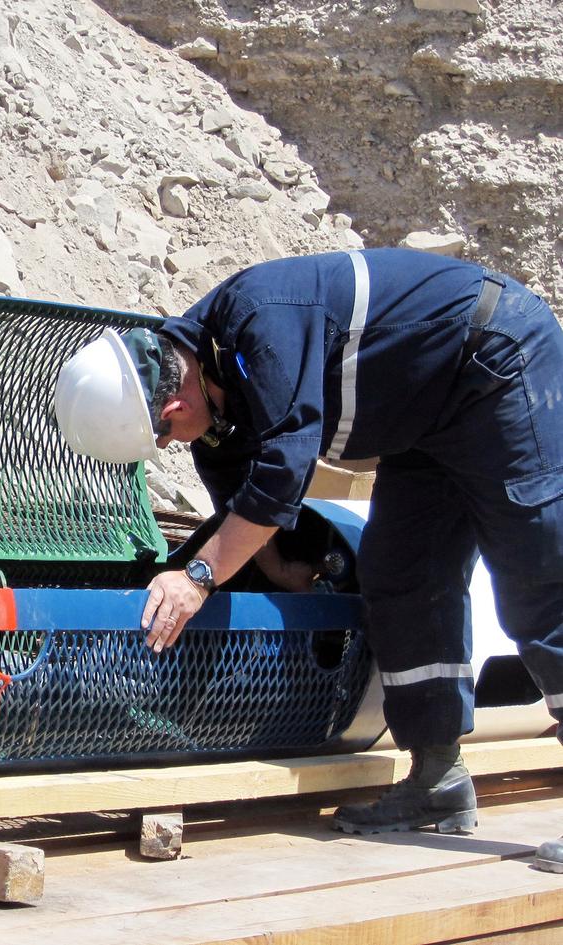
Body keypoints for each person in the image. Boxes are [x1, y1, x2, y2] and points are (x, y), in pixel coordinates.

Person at [54, 248, 563, 872]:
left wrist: (197, 578)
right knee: (403, 576)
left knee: (538, 569)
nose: (169, 446)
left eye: (161, 439)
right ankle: (436, 777)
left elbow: (283, 475)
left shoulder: (259, 324)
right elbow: (245, 503)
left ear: (172, 407)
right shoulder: (214, 404)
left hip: (495, 362)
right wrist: (281, 570)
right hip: (425, 418)